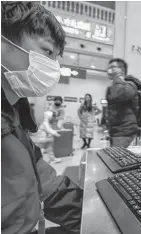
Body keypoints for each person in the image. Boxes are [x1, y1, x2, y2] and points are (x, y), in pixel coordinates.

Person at [1, 2, 82, 233]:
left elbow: (42, 178)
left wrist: (88, 210)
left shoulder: (14, 114)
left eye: (55, 58)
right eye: (47, 51)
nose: (52, 67)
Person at [106, 58, 141, 147]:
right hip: (115, 131)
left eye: (113, 67)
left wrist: (117, 79)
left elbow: (120, 96)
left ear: (121, 70)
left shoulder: (130, 85)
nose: (109, 70)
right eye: (109, 67)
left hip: (124, 132)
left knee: (118, 159)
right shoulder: (113, 86)